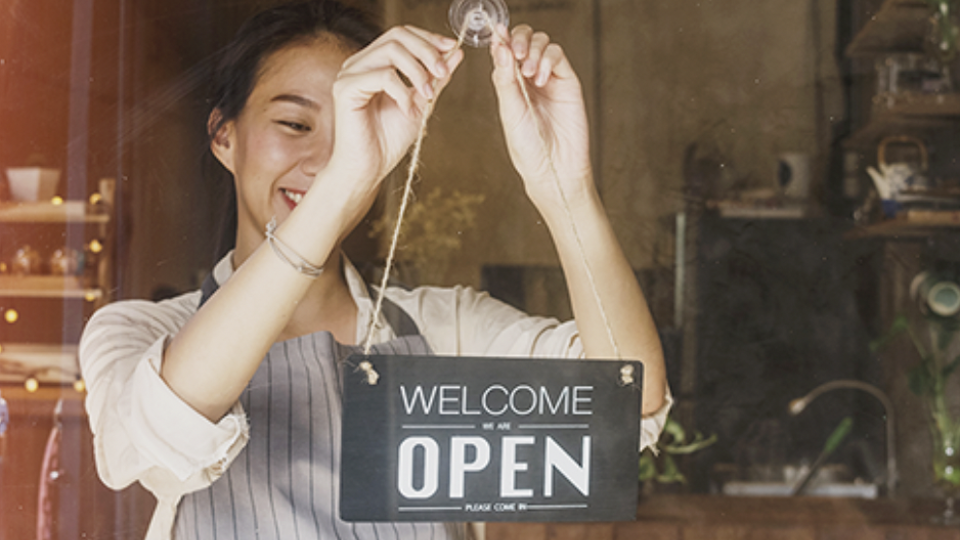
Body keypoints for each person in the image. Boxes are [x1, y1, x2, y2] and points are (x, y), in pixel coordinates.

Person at [79, 1, 671, 539]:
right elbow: (156, 434)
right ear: (223, 135)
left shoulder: (448, 330)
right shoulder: (137, 335)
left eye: (352, 132)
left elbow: (625, 409)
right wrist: (338, 186)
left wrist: (565, 187)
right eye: (295, 124)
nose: (324, 159)